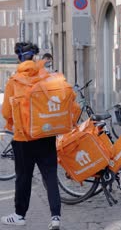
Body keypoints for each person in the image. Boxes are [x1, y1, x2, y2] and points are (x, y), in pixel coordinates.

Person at [1, 42, 61, 229]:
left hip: (23, 138)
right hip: (46, 134)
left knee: (24, 177)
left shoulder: (14, 81)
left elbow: (6, 112)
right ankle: (55, 217)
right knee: (50, 175)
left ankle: (20, 215)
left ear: (19, 58)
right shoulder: (46, 77)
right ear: (34, 58)